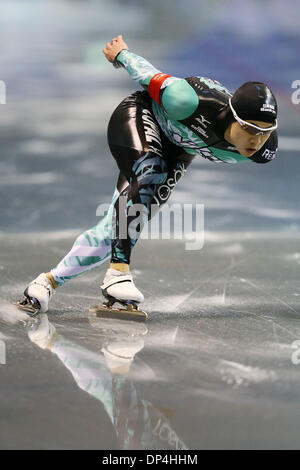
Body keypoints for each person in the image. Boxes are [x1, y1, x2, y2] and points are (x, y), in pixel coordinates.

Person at [18, 35, 278, 316]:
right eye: (250, 128)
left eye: (265, 131)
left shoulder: (262, 149)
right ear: (232, 117)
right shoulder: (187, 101)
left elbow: (259, 137)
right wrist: (121, 54)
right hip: (140, 115)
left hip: (177, 149)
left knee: (118, 227)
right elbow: (148, 76)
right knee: (150, 171)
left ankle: (44, 284)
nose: (256, 139)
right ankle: (118, 273)